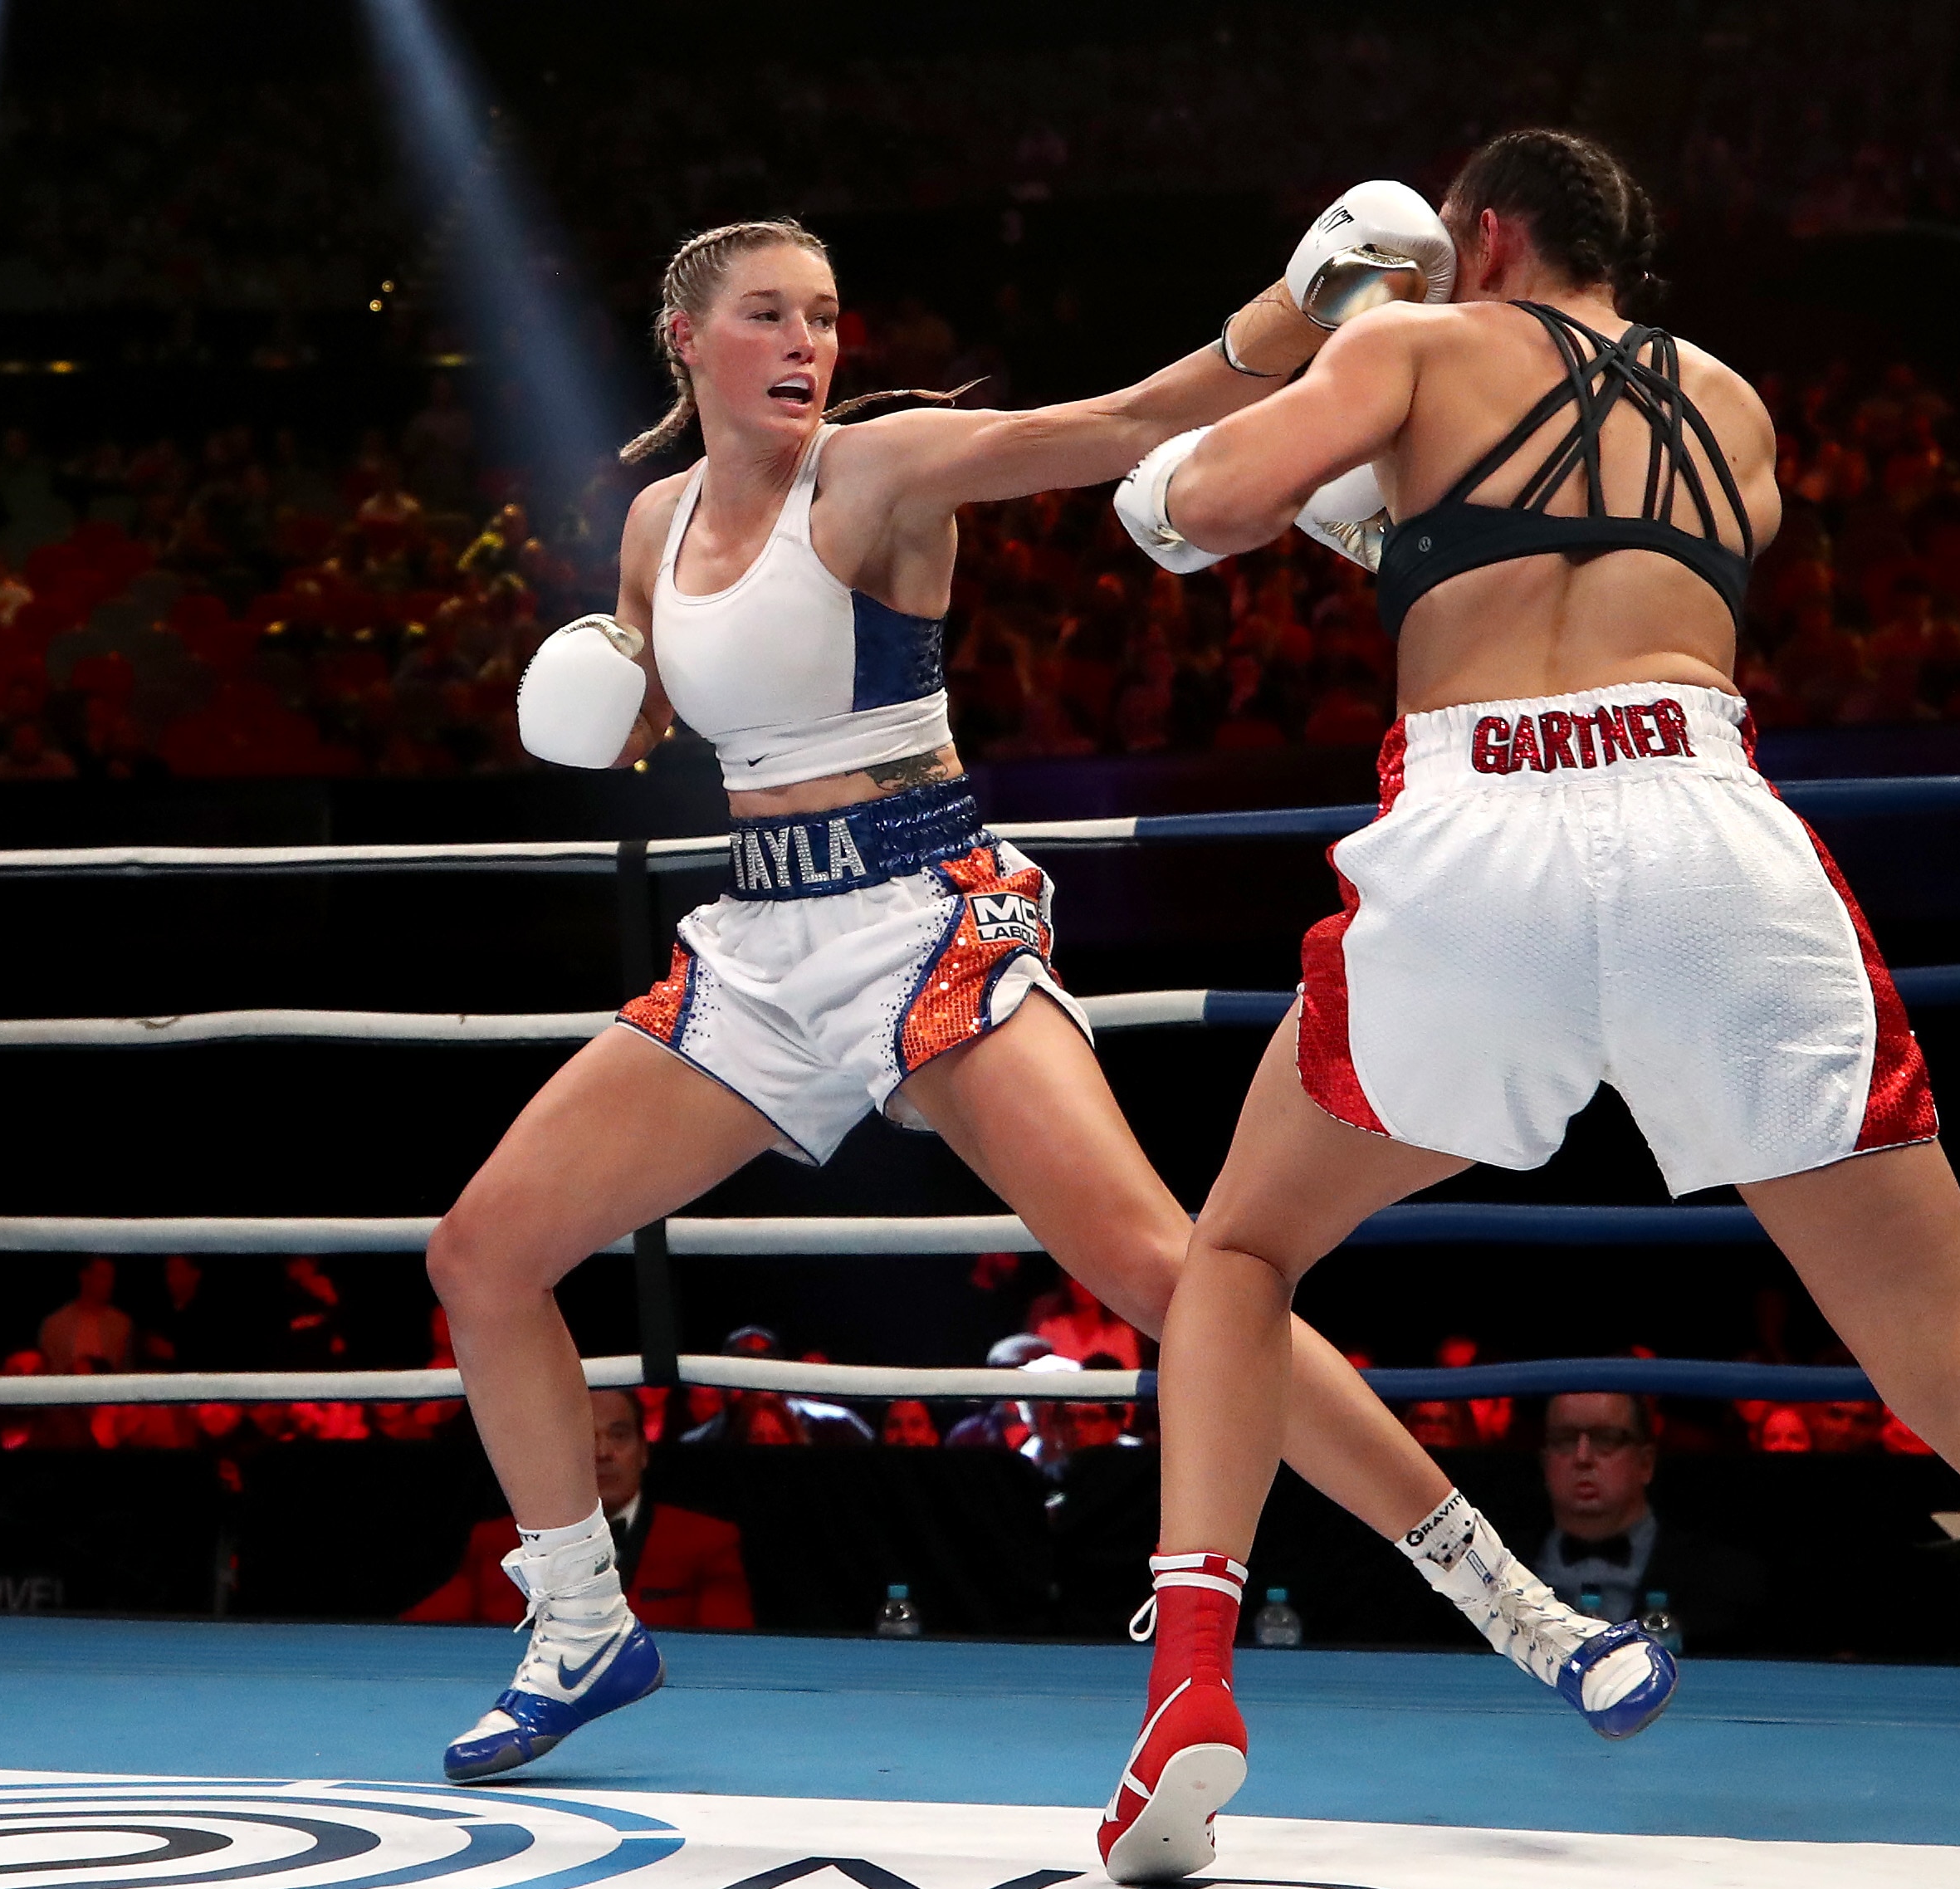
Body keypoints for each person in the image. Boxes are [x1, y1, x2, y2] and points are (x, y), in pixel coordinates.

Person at [1097, 129, 1960, 1889]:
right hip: (1715, 836)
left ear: (1483, 235)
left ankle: (1190, 1690)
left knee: (1235, 1254)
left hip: (1484, 833)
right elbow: (1561, 571)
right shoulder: (1736, 415)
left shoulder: (1416, 341)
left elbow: (1178, 512)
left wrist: (1320, 336)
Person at [425, 199, 1636, 1786]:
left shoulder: (886, 464)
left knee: (1168, 1269)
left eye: (825, 315)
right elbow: (677, 702)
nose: (808, 344)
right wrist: (612, 683)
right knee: (483, 1254)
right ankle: (583, 1623)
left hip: (927, 919)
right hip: (760, 945)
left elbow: (1134, 420)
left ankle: (1512, 1600)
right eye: (773, 316)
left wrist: (1291, 300)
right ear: (688, 340)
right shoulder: (652, 526)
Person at [408, 1390, 753, 1633]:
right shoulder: (495, 1543)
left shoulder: (707, 1542)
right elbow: (410, 1638)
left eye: (619, 1436)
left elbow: (733, 1657)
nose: (603, 1452)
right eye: (584, 1436)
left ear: (644, 1453)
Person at [1531, 1392, 1761, 1650]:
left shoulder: (1724, 1581)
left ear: (1646, 1462)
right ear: (1544, 1461)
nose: (1582, 1457)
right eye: (1564, 1440)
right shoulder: (1490, 1570)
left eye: (1606, 1439)